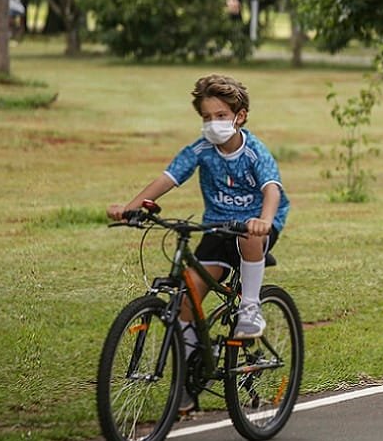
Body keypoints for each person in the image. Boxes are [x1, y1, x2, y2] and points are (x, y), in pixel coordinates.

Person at [107, 74, 290, 383]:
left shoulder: (254, 151)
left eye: (220, 116)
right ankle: (188, 383)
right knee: (188, 298)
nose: (212, 123)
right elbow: (168, 178)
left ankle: (249, 308)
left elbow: (272, 189)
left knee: (248, 233)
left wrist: (265, 221)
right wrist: (131, 207)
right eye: (206, 117)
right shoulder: (201, 150)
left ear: (239, 116)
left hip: (256, 226)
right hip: (217, 226)